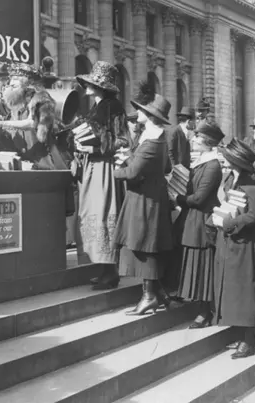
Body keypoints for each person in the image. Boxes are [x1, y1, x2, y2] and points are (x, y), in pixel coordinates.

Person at [113, 84, 173, 315]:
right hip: (152, 198)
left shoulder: (150, 141)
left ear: (149, 116)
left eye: (140, 110)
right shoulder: (158, 139)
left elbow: (132, 173)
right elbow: (165, 166)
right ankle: (158, 293)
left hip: (143, 201)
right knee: (147, 245)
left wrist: (112, 171)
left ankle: (148, 296)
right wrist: (133, 157)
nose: (137, 113)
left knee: (143, 245)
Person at [72, 61, 129, 289]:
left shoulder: (112, 106)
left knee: (104, 213)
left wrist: (93, 149)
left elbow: (121, 139)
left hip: (103, 168)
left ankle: (110, 270)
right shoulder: (99, 106)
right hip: (93, 167)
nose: (87, 86)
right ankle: (103, 267)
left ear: (100, 87)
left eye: (91, 83)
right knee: (93, 214)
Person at [212, 138, 255, 359]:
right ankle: (240, 334)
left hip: (246, 245)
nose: (225, 165)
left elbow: (253, 216)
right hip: (230, 243)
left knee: (246, 292)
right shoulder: (231, 181)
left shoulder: (251, 186)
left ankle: (249, 340)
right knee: (233, 290)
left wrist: (228, 224)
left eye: (228, 162)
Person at [172, 121, 224, 328]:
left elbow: (200, 198)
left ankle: (205, 312)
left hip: (202, 220)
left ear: (207, 141)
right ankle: (198, 305)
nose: (193, 139)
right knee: (193, 261)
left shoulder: (212, 165)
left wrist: (178, 198)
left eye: (197, 137)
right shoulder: (202, 162)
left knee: (202, 265)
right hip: (193, 218)